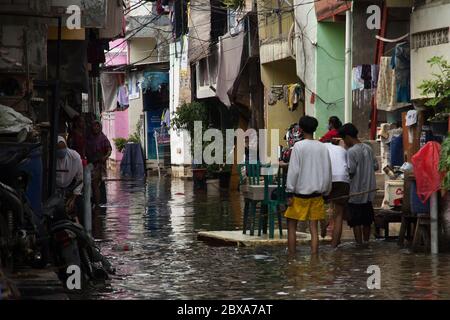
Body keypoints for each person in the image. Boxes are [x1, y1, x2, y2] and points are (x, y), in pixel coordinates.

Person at [285, 116, 332, 255]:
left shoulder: (298, 146)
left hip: (299, 196)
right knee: (314, 228)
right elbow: (327, 170)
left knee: (291, 226)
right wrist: (327, 192)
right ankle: (314, 258)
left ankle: (292, 257)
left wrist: (289, 191)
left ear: (300, 129)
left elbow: (294, 171)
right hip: (317, 195)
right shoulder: (322, 147)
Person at [338, 123, 378, 245]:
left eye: (344, 139)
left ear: (348, 137)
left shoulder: (351, 151)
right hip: (369, 192)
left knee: (356, 222)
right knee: (367, 221)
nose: (344, 142)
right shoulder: (369, 148)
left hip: (355, 193)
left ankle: (359, 246)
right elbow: (376, 166)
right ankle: (366, 243)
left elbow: (351, 171)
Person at [324, 139, 350, 248]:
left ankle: (322, 230)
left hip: (327, 178)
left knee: (320, 207)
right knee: (339, 214)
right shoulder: (342, 150)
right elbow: (348, 167)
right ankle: (334, 245)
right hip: (342, 179)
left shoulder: (321, 147)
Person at [56, 136, 83, 220]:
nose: (61, 151)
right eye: (58, 148)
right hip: (55, 188)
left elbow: (80, 178)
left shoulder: (75, 157)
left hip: (70, 187)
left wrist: (73, 198)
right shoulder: (50, 157)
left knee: (80, 207)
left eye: (63, 148)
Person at [86, 120, 112, 207]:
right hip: (90, 163)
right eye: (94, 126)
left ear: (100, 127)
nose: (95, 128)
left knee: (95, 183)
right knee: (92, 184)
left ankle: (97, 205)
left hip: (99, 165)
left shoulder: (103, 138)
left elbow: (109, 149)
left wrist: (105, 157)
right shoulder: (89, 138)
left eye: (97, 126)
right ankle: (95, 202)